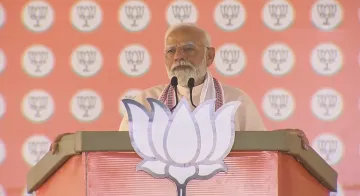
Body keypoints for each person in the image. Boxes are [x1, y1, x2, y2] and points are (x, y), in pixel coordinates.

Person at [49, 23, 309, 154]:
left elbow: (261, 156)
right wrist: (74, 147)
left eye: (188, 49)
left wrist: (283, 142)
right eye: (171, 51)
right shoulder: (145, 102)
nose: (178, 57)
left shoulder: (236, 102)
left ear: (209, 56)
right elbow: (118, 157)